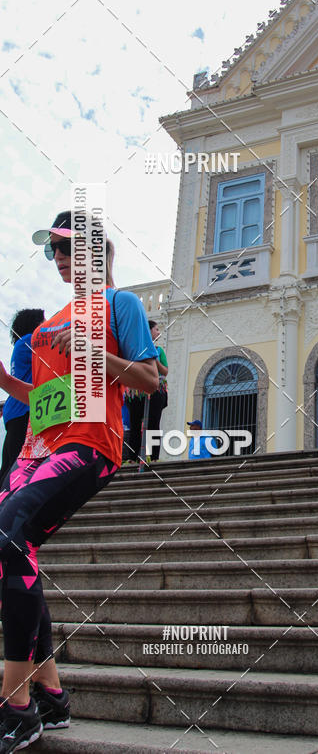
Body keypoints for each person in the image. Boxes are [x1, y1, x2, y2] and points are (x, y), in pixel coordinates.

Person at [0, 210, 159, 751]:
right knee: (13, 548)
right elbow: (41, 396)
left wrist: (97, 352)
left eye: (67, 248)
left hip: (89, 444)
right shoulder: (49, 325)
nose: (59, 259)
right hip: (36, 449)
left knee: (9, 537)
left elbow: (148, 378)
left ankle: (16, 705)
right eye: (53, 251)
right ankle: (50, 697)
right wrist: (4, 380)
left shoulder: (121, 304)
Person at [0, 310, 45, 487]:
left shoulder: (22, 343)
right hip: (24, 410)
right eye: (44, 320)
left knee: (9, 465)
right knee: (17, 466)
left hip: (15, 410)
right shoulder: (30, 340)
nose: (48, 323)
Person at [124, 320, 168, 469]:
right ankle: (132, 458)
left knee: (154, 423)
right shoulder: (134, 348)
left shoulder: (158, 350)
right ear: (148, 331)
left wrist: (154, 359)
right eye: (156, 329)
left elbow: (165, 371)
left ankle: (153, 457)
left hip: (155, 390)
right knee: (135, 424)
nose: (158, 332)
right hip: (136, 390)